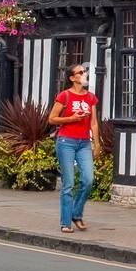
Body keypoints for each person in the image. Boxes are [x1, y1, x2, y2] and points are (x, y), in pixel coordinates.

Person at [49, 63, 100, 234]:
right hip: (66, 142)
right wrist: (72, 118)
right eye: (80, 72)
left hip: (84, 143)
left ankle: (76, 214)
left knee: (88, 180)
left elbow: (93, 122)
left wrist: (97, 143)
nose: (84, 73)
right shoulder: (64, 96)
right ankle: (65, 222)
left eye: (84, 71)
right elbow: (52, 119)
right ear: (72, 78)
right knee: (69, 183)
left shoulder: (90, 97)